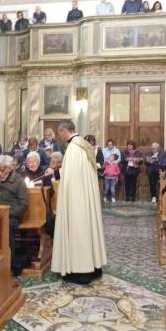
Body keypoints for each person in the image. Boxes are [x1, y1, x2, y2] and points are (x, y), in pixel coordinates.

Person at [51, 120, 106, 284]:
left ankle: (80, 270)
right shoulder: (83, 144)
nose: (59, 137)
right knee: (87, 229)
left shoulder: (74, 148)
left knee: (78, 231)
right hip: (85, 196)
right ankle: (95, 267)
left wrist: (57, 173)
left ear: (62, 132)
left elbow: (70, 176)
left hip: (77, 199)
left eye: (59, 134)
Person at [0, 154, 28, 276]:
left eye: (3, 168)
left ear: (10, 168)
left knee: (5, 228)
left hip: (11, 216)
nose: (0, 171)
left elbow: (23, 204)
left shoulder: (18, 182)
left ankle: (9, 263)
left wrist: (7, 213)